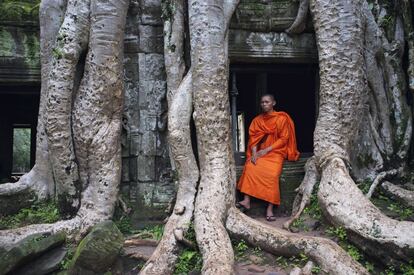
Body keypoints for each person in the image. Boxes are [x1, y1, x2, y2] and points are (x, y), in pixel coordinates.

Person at [236, 94, 299, 221]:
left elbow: (284, 139)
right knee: (250, 166)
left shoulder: (281, 118)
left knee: (272, 174)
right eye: (262, 102)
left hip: (276, 152)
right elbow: (253, 139)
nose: (264, 104)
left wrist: (267, 150)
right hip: (260, 152)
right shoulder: (257, 120)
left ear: (273, 103)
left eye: (267, 102)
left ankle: (270, 208)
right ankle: (246, 200)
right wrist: (254, 153)